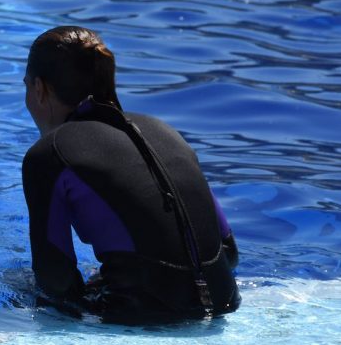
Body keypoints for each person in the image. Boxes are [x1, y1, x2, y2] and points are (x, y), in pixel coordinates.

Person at [21, 26, 240, 323]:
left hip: (144, 313)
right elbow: (228, 252)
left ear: (39, 89)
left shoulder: (49, 154)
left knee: (15, 283)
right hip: (224, 299)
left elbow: (54, 280)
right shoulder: (163, 131)